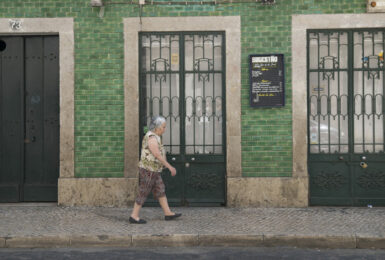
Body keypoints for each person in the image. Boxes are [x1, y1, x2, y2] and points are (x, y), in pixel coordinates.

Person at [129, 116, 182, 224]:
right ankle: (134, 216)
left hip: (154, 170)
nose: (164, 129)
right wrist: (169, 167)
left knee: (160, 189)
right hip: (148, 170)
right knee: (143, 191)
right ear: (157, 127)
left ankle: (168, 213)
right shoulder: (151, 137)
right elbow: (157, 155)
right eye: (163, 127)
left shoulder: (156, 136)